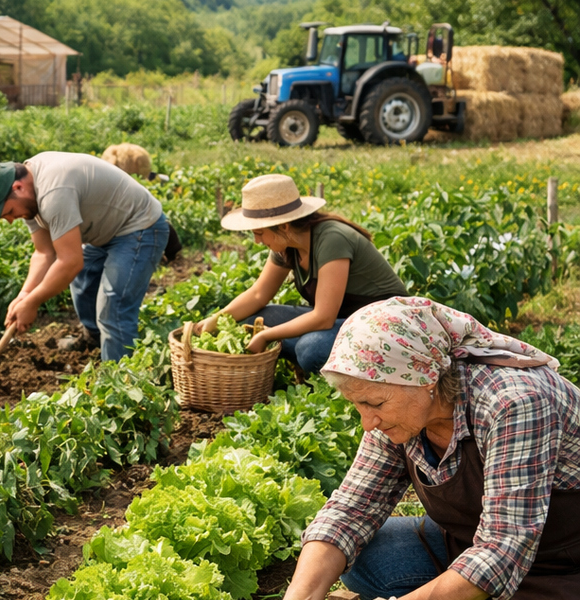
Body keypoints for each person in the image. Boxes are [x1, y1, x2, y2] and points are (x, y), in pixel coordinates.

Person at [284, 296, 580, 600]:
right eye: (358, 405)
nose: (367, 422)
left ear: (425, 379)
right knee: (363, 560)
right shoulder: (401, 410)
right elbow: (351, 510)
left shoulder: (513, 403)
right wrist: (299, 595)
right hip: (473, 543)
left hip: (560, 562)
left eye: (374, 403)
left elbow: (503, 547)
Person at [195, 173, 406, 374]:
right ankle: (317, 359)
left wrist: (267, 335)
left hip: (383, 325)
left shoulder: (332, 239)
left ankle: (325, 367)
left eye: (259, 233)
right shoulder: (286, 246)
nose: (257, 241)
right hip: (343, 321)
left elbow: (323, 317)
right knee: (250, 321)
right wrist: (218, 318)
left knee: (311, 348)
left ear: (284, 226)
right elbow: (259, 294)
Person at [0, 151, 170, 362]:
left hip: (138, 226)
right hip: (105, 229)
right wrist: (25, 294)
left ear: (17, 188)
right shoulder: (28, 197)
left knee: (114, 308)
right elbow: (44, 253)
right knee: (83, 284)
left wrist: (32, 303)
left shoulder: (53, 191)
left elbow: (70, 261)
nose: (11, 220)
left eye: (9, 212)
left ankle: (121, 380)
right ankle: (96, 339)